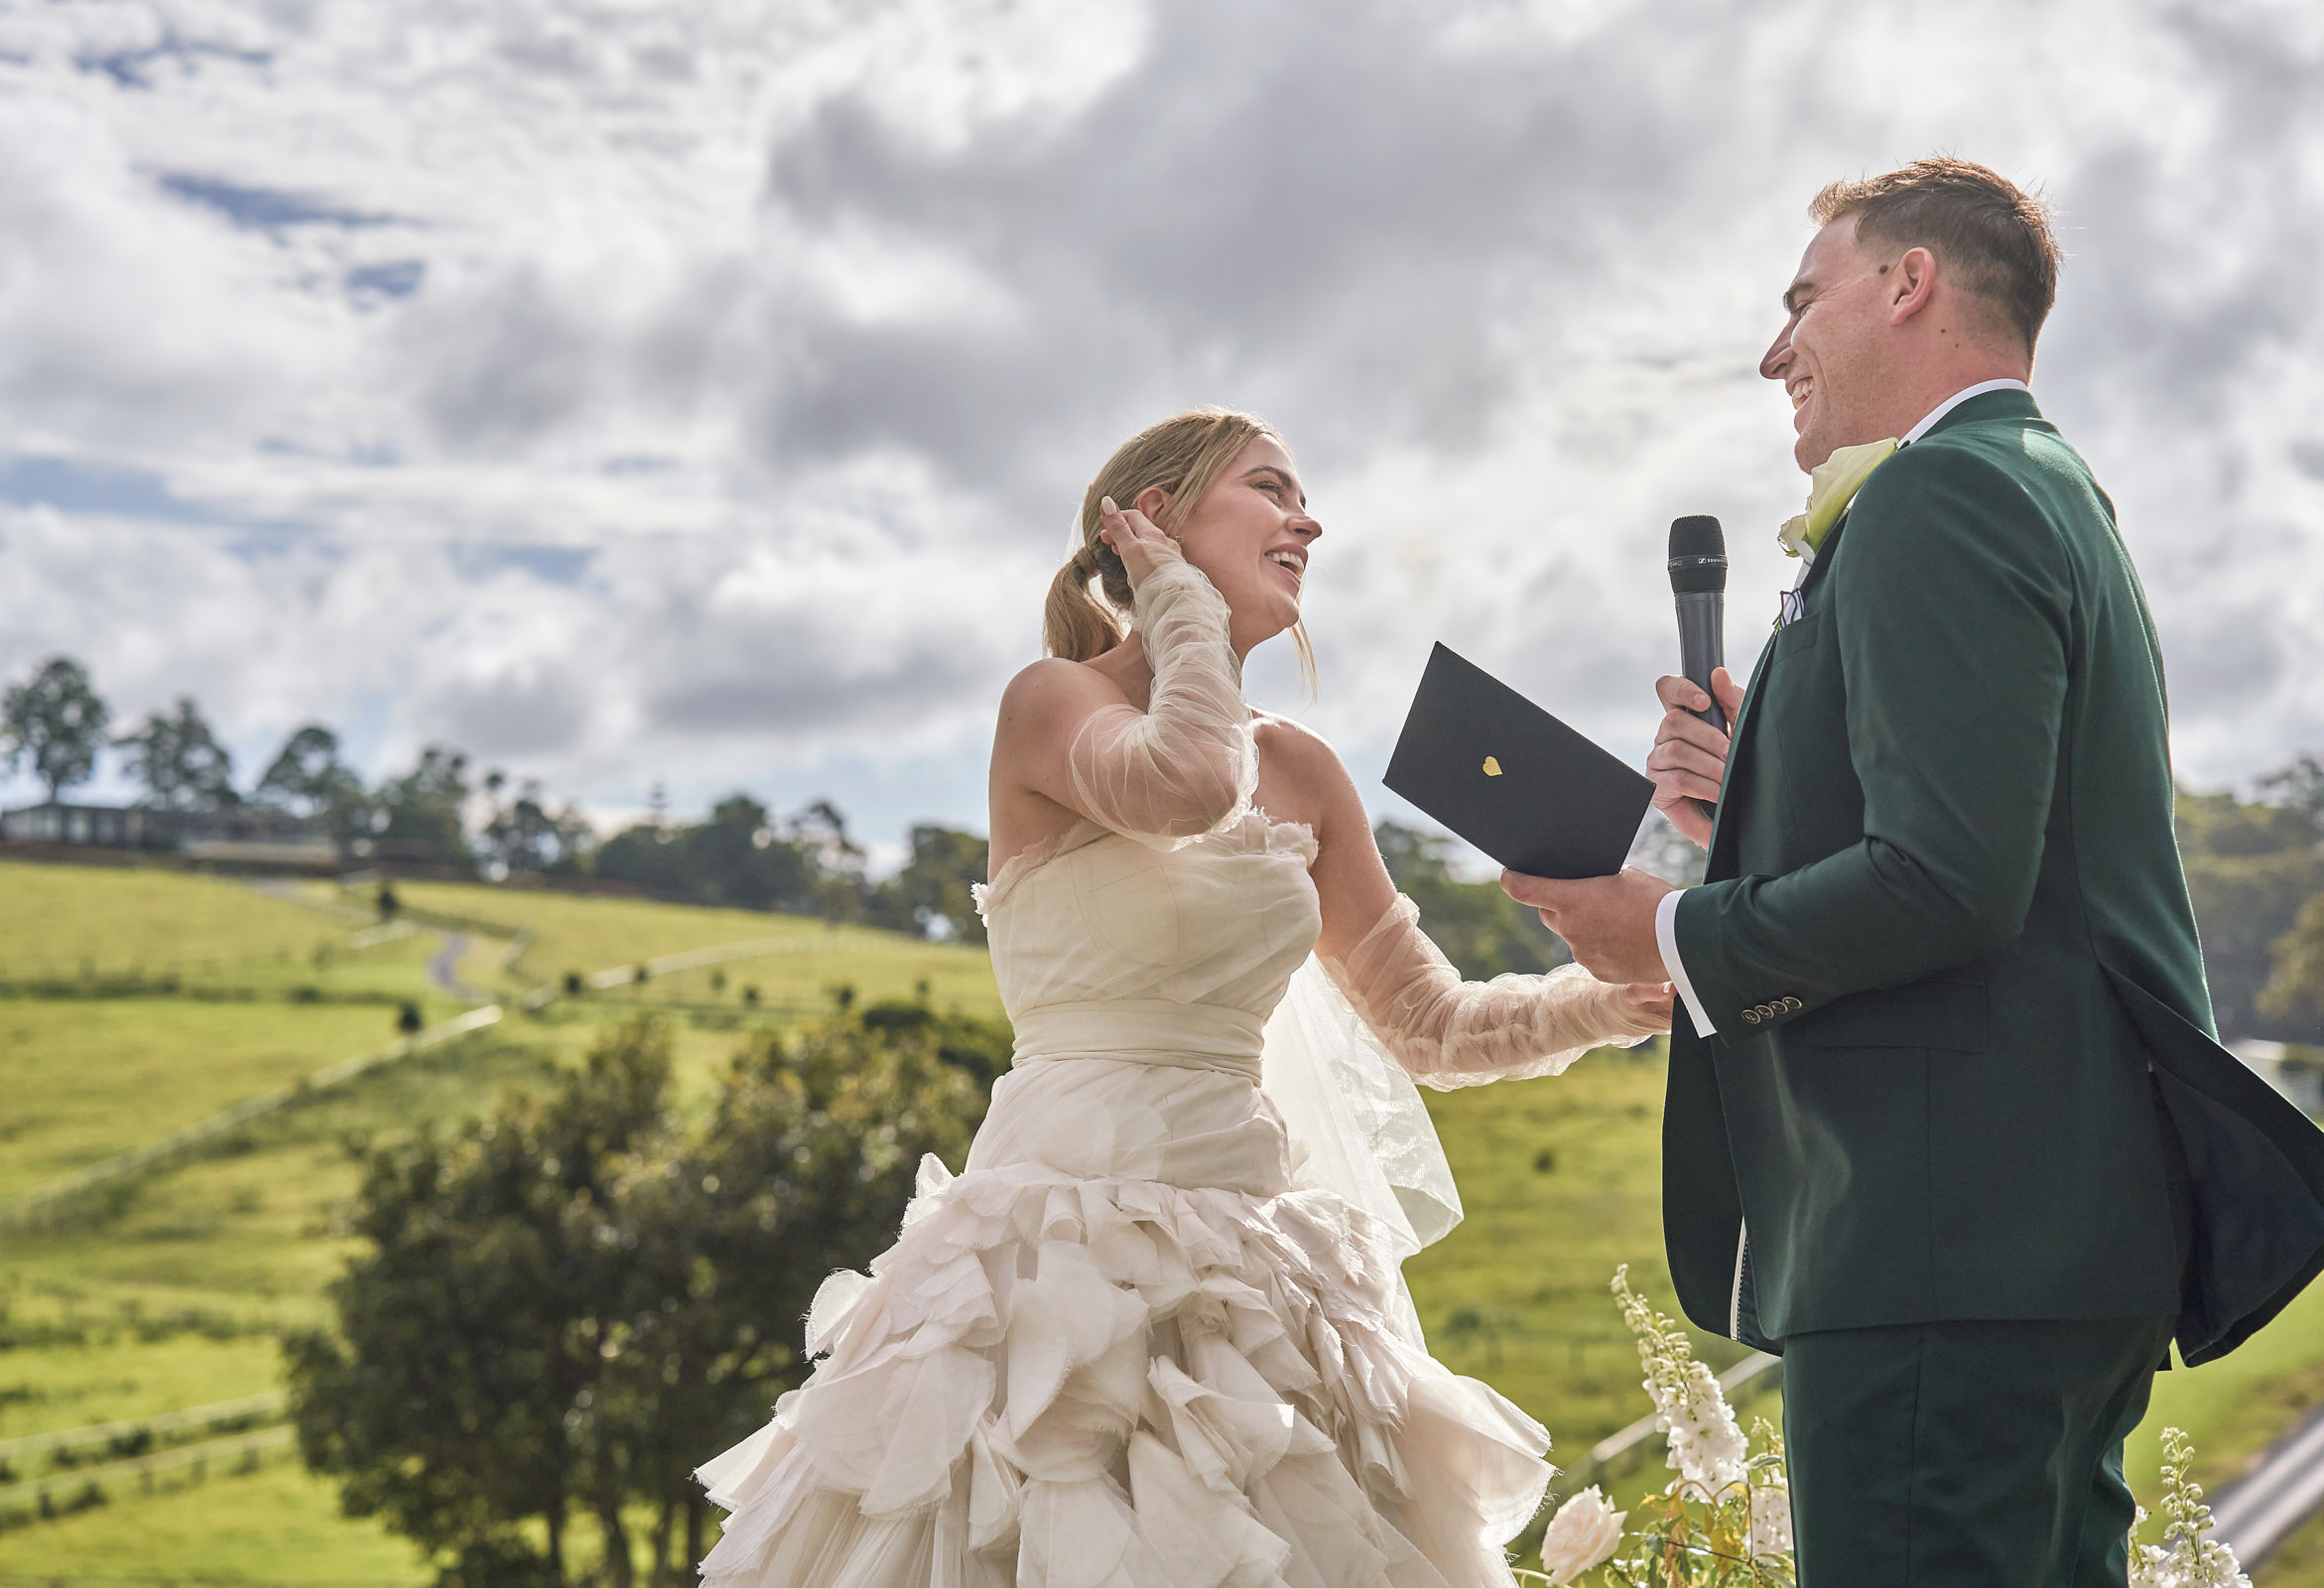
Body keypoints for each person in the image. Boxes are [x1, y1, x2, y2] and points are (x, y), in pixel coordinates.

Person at [1505, 160, 2324, 1585]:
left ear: (1907, 284)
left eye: (1799, 301)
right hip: (2038, 1228)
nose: (1773, 352)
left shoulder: (1935, 495)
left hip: (1938, 1234)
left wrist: (1672, 934)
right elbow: (2001, 842)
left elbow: (1945, 882)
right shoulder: (2042, 487)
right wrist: (1750, 807)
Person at [692, 406, 1674, 1587]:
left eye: (1302, 496)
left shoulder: (1304, 768)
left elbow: (1427, 1026)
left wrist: (1613, 999)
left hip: (1249, 1277)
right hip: (1046, 1260)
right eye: (1270, 488)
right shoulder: (1051, 702)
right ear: (1153, 517)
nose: (1307, 522)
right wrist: (1174, 603)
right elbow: (1188, 786)